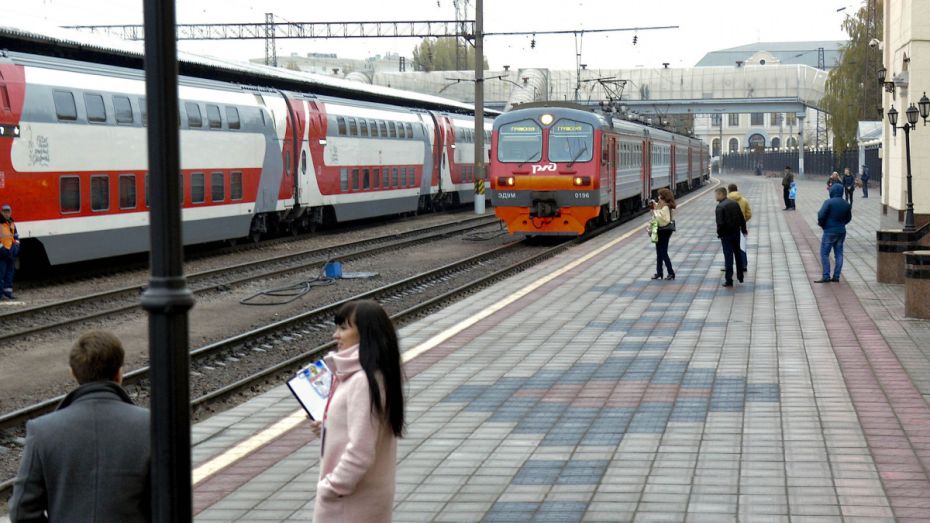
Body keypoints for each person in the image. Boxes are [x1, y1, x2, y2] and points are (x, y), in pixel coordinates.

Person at [9, 331, 151, 523]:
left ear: (73, 373)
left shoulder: (42, 430)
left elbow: (21, 511)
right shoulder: (150, 426)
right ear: (119, 373)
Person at [311, 300, 405, 523]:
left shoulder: (362, 381)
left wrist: (333, 487)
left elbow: (361, 450)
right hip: (362, 499)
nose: (336, 335)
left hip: (350, 503)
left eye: (344, 328)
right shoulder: (371, 374)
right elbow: (364, 431)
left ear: (365, 334)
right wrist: (327, 428)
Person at [815, 183, 853, 283]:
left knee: (825, 253)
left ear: (832, 191)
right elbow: (848, 218)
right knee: (839, 253)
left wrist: (822, 225)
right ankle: (836, 276)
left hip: (829, 231)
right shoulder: (846, 204)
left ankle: (826, 275)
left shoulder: (828, 202)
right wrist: (841, 224)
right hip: (841, 231)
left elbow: (821, 215)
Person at [715, 187, 747, 287]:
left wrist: (719, 234)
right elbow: (741, 218)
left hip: (726, 235)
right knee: (737, 254)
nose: (715, 196)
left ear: (721, 194)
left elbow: (720, 223)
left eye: (716, 194)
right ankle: (740, 276)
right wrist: (743, 230)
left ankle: (729, 280)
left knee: (728, 257)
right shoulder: (734, 203)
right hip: (736, 233)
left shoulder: (720, 207)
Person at [650, 188, 677, 281]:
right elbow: (658, 209)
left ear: (663, 197)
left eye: (660, 195)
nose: (658, 197)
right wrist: (655, 205)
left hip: (664, 231)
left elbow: (664, 220)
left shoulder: (665, 206)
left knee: (663, 252)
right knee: (659, 252)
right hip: (661, 230)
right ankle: (659, 272)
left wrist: (655, 211)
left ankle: (671, 272)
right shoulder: (662, 205)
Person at [727, 184, 752, 270]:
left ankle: (728, 266)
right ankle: (743, 265)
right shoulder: (744, 200)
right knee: (742, 247)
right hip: (740, 226)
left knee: (728, 247)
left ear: (729, 190)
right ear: (737, 190)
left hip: (729, 227)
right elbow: (749, 214)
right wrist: (744, 220)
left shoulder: (725, 201)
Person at [0, 203, 20, 300]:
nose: (6, 213)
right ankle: (0, 295)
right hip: (2, 254)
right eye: (4, 211)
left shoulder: (12, 223)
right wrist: (2, 249)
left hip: (10, 253)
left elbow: (16, 237)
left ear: (10, 212)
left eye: (8, 211)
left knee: (9, 274)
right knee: (1, 274)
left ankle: (8, 293)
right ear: (1, 212)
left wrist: (16, 247)